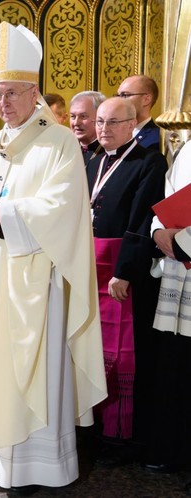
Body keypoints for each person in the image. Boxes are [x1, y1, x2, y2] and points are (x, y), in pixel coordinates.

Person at [0, 22, 107, 494]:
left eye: (13, 94)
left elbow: (63, 209)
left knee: (30, 371)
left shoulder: (58, 141)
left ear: (34, 91)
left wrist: (5, 212)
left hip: (35, 278)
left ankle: (35, 468)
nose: (4, 104)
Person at [86, 97, 167, 465]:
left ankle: (121, 435)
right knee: (92, 348)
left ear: (133, 124)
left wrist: (125, 270)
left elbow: (141, 218)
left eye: (114, 122)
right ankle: (93, 423)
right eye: (100, 121)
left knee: (122, 354)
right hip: (88, 266)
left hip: (119, 271)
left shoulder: (148, 162)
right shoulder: (92, 159)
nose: (104, 129)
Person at [144, 143, 191, 480]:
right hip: (177, 267)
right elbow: (167, 197)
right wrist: (159, 232)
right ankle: (173, 450)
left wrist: (180, 242)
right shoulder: (188, 147)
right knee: (176, 365)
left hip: (181, 250)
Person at [116, 75, 161, 151]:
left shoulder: (156, 139)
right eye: (118, 95)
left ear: (146, 99)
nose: (119, 101)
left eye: (125, 95)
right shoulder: (112, 133)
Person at [69, 91, 106, 164]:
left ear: (100, 118)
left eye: (83, 116)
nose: (76, 123)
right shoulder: (66, 149)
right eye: (73, 116)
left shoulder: (108, 151)